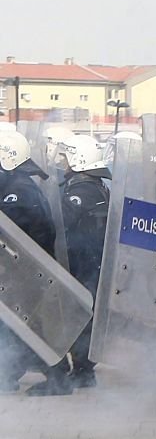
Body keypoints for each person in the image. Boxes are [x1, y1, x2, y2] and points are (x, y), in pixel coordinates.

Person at [25, 135, 110, 394]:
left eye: (66, 156)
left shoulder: (80, 192)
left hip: (81, 263)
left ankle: (77, 372)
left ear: (79, 159)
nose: (62, 161)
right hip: (90, 263)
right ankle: (83, 371)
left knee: (73, 317)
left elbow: (59, 224)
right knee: (82, 317)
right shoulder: (95, 186)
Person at [0, 131, 68, 394]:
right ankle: (9, 374)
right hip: (24, 271)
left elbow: (10, 233)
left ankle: (58, 378)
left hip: (26, 272)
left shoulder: (18, 192)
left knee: (29, 327)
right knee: (20, 325)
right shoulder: (18, 185)